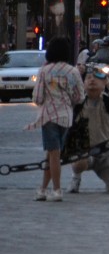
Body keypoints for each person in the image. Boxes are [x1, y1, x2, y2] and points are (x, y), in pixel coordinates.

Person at [27, 36, 85, 202]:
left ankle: (57, 190)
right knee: (53, 154)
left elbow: (37, 97)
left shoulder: (44, 71)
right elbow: (80, 97)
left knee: (53, 154)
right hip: (66, 116)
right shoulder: (73, 71)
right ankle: (43, 189)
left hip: (49, 116)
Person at [68, 66, 109, 194]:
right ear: (83, 84)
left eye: (96, 78)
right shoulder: (78, 103)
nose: (92, 80)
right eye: (88, 78)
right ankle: (76, 176)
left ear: (103, 83)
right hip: (84, 152)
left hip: (105, 153)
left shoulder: (108, 101)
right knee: (79, 162)